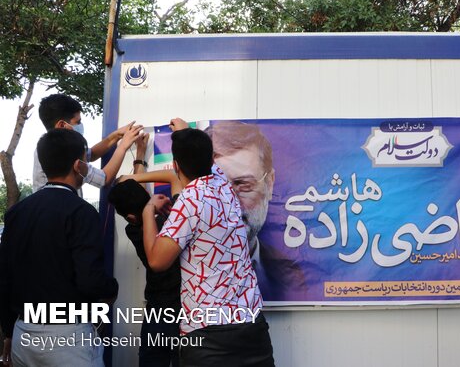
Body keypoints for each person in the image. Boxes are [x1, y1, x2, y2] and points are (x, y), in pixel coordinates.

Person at [141, 128, 274, 366]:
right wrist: (184, 129)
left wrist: (147, 213)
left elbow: (157, 261)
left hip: (207, 337)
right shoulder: (223, 183)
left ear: (176, 165)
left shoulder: (188, 202)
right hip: (251, 328)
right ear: (212, 159)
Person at [0, 128, 119, 367]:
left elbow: (5, 277)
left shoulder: (16, 213)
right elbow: (90, 279)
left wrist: (9, 333)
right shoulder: (81, 211)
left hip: (23, 334)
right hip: (67, 338)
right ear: (78, 165)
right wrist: (111, 288)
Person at [206, 120, 306, 300]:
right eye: (215, 187)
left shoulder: (292, 277)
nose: (230, 202)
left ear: (269, 183)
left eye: (243, 185)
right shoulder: (179, 261)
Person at [108, 179, 181, 367]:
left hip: (157, 310)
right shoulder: (174, 221)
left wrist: (148, 206)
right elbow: (174, 175)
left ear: (131, 218)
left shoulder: (133, 229)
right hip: (184, 308)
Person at [33, 93, 143, 194]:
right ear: (62, 125)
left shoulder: (49, 146)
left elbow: (92, 154)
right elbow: (104, 179)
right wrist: (123, 145)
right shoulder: (60, 149)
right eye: (78, 122)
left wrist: (116, 135)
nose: (80, 125)